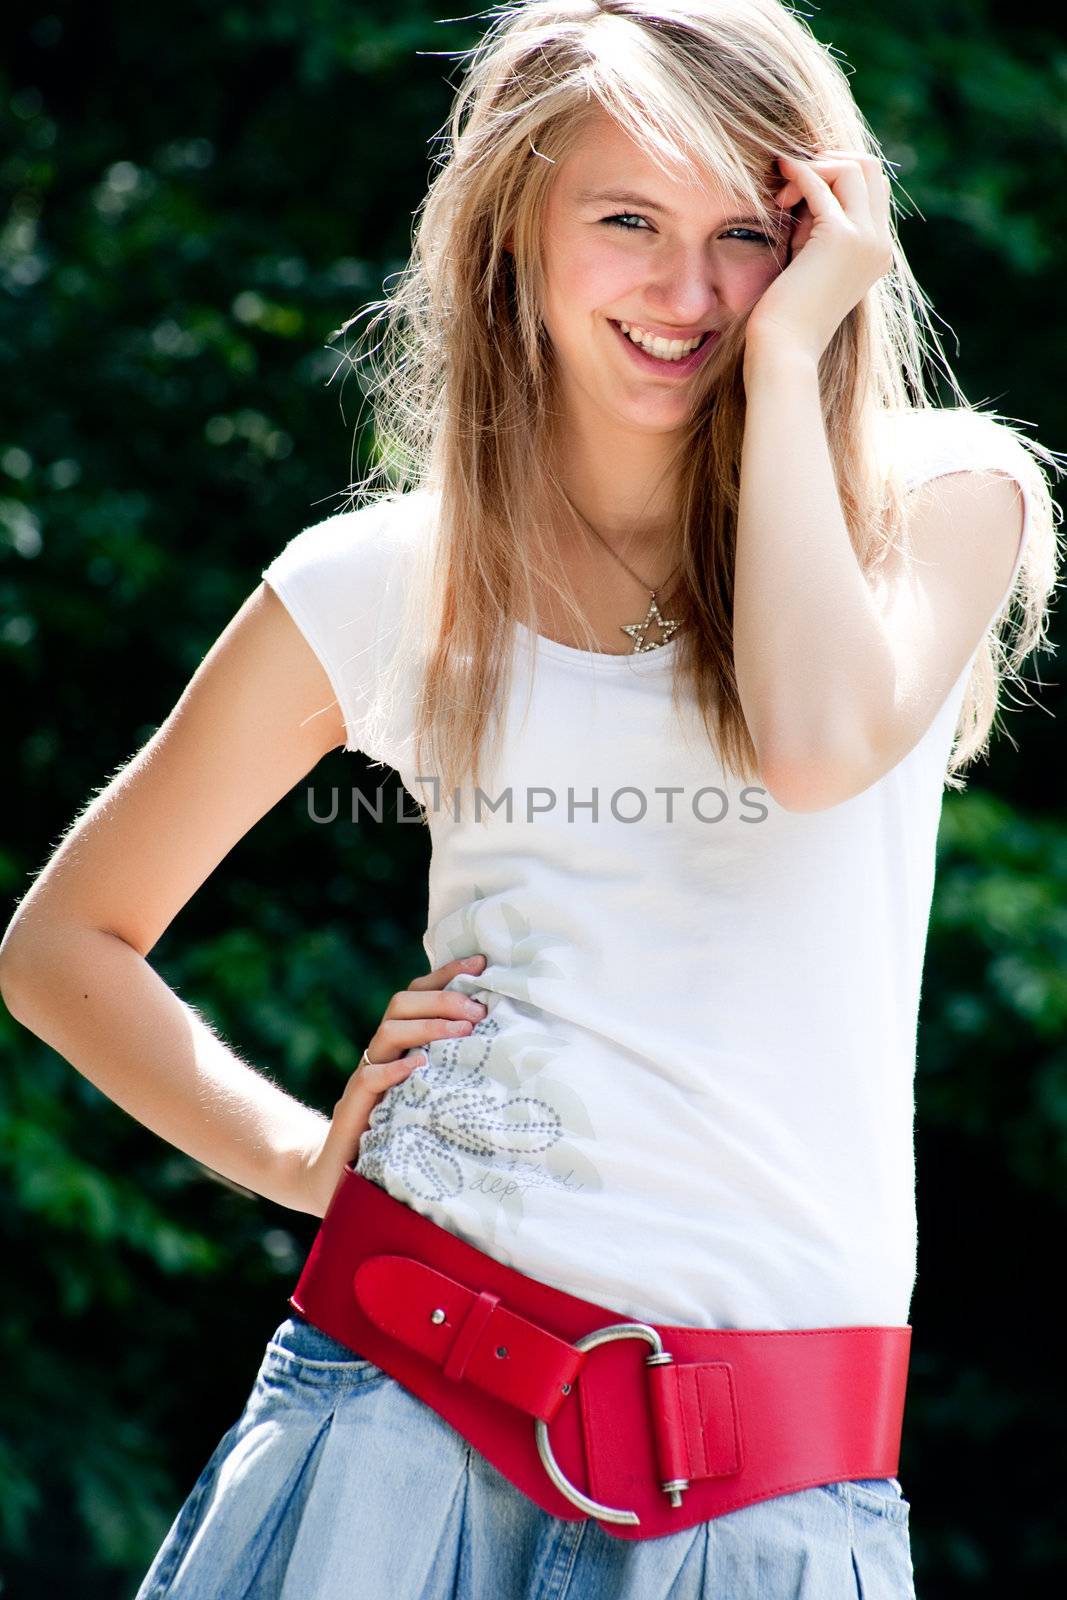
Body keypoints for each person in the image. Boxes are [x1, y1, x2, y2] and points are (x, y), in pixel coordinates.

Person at [0, 2, 1061, 1596]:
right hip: (396, 1401)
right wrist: (301, 1157)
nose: (685, 291)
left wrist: (791, 361)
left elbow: (817, 744)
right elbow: (64, 943)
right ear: (513, 235)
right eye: (624, 219)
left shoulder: (939, 499)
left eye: (743, 234)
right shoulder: (382, 580)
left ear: (819, 237)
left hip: (773, 1484)